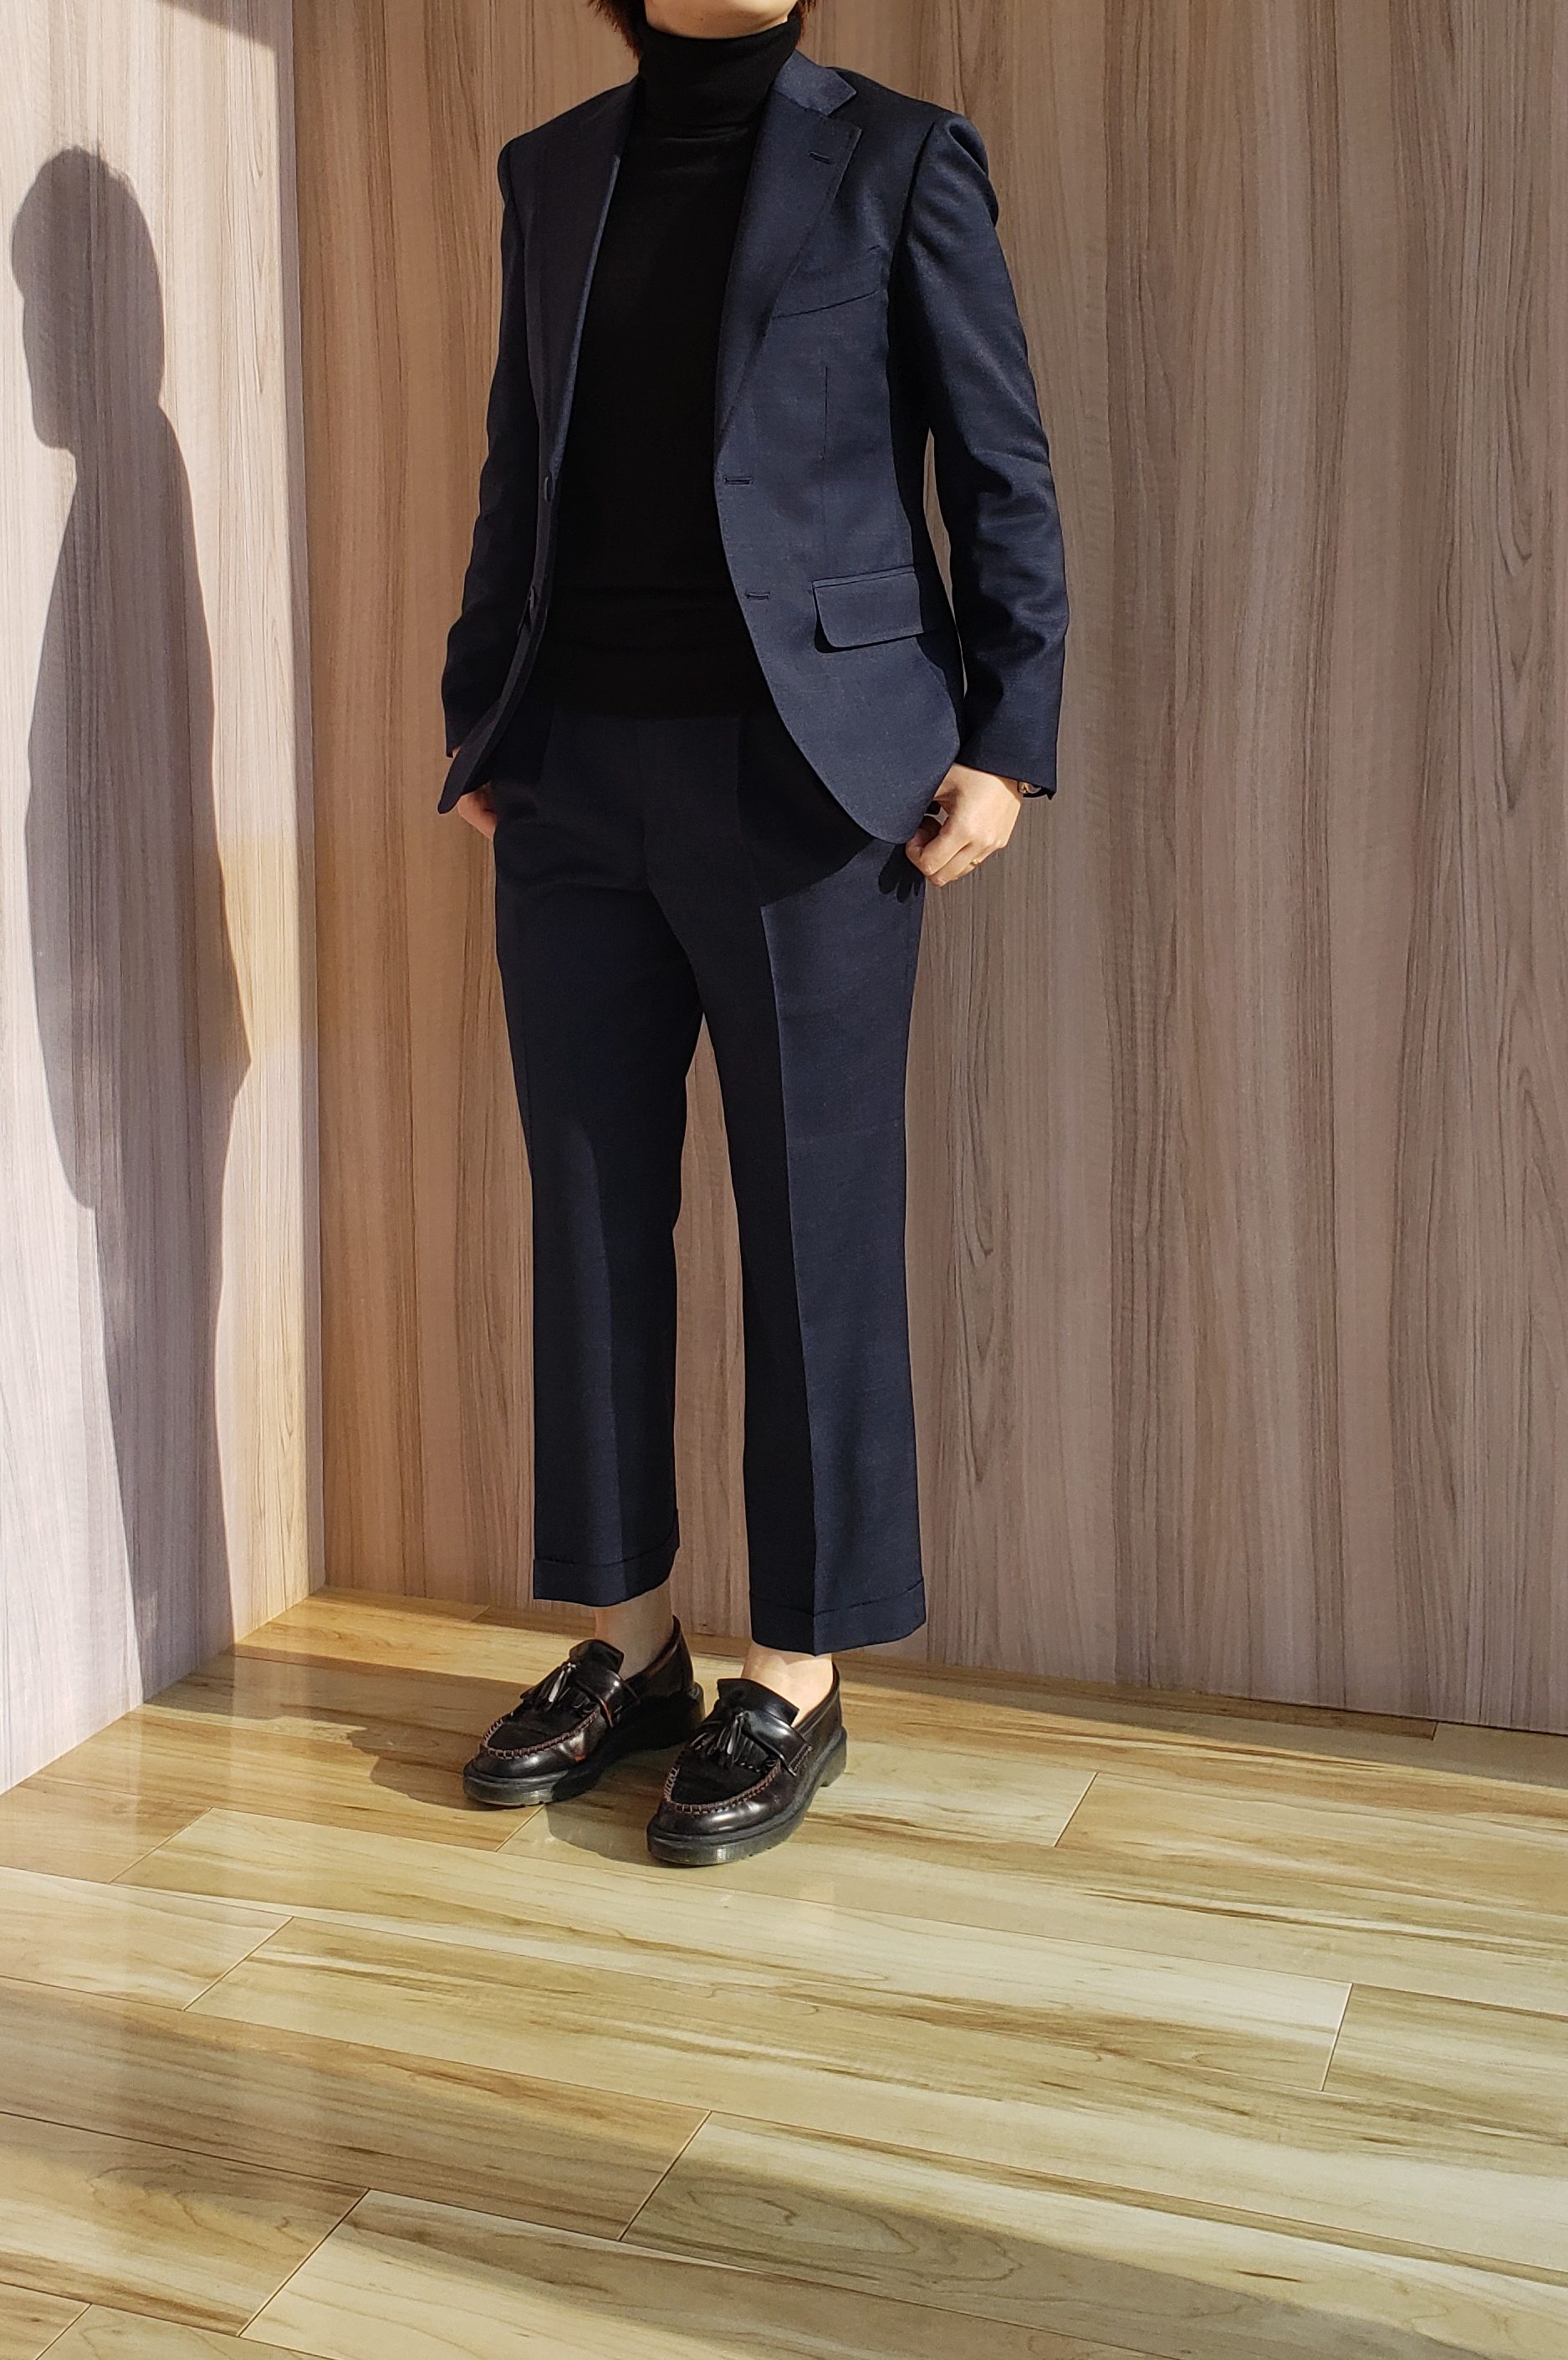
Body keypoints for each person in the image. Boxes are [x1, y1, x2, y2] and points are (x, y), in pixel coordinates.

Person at [440, 0, 1067, 1867]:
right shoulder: (552, 171)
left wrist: (1008, 742)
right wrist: (482, 719)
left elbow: (1002, 463)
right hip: (571, 779)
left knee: (814, 1222)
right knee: (587, 1210)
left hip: (811, 784)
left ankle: (794, 1667)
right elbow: (517, 459)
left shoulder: (903, 156)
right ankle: (626, 1641)